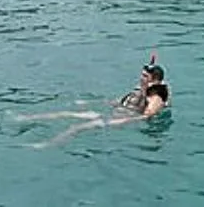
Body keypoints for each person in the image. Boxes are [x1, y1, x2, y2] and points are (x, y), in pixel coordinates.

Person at [17, 55, 171, 146]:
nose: (141, 77)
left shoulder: (155, 97)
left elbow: (147, 116)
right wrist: (91, 104)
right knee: (66, 113)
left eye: (145, 76)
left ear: (155, 80)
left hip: (121, 119)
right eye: (142, 74)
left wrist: (121, 122)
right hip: (115, 113)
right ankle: (26, 118)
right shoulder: (140, 89)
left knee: (76, 127)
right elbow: (117, 102)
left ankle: (46, 145)